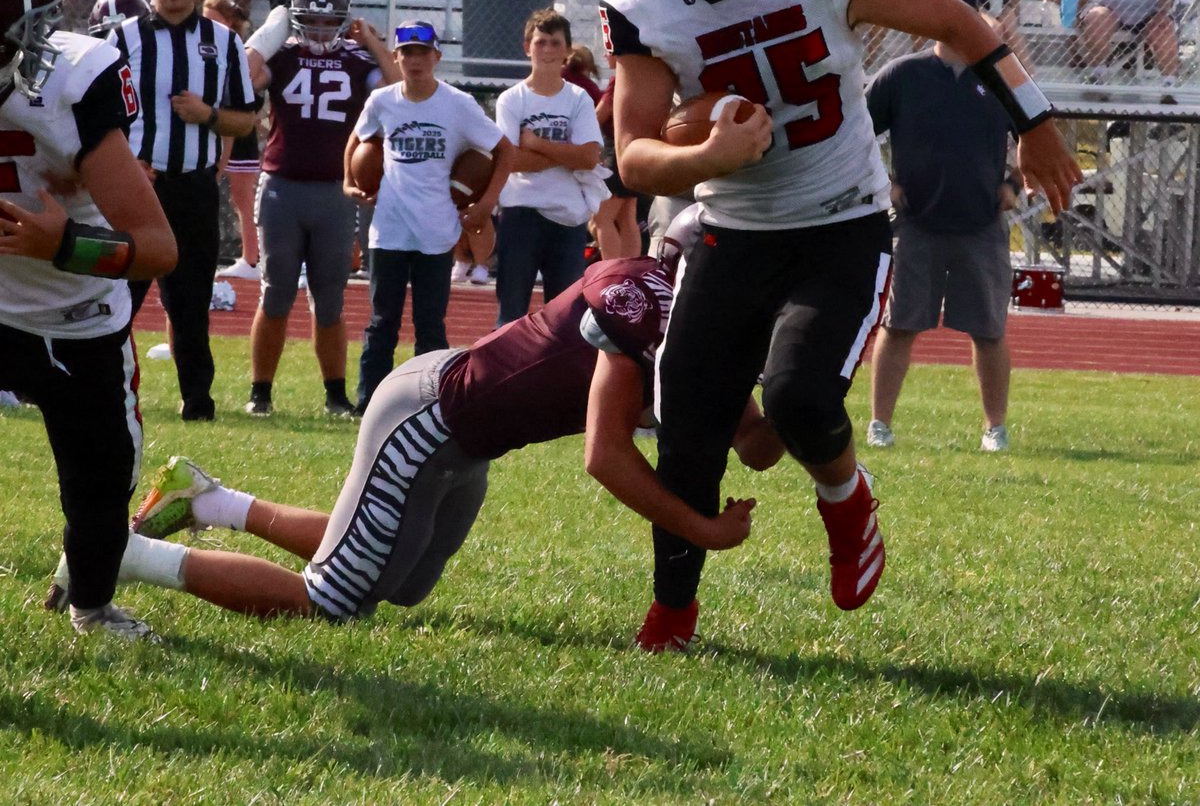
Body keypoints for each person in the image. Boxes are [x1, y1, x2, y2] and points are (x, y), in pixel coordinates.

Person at [599, 0, 1081, 651]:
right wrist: (706, 156)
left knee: (797, 397)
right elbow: (635, 157)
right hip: (730, 226)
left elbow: (960, 25)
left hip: (839, 221)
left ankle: (845, 497)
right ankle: (673, 611)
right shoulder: (644, 0)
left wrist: (1034, 122)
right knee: (689, 427)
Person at [51, 213, 780, 624]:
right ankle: (119, 554)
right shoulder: (639, 302)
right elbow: (606, 455)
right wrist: (702, 530)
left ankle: (208, 500)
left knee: (401, 584)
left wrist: (798, 394)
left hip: (466, 434)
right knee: (332, 600)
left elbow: (754, 442)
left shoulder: (687, 328)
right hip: (431, 418)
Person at [0, 0, 177, 639]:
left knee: (102, 487)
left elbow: (158, 248)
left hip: (76, 317)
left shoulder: (73, 82)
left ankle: (91, 605)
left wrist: (64, 243)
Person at [865, 0, 1020, 453]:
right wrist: (884, 184)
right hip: (916, 223)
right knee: (899, 324)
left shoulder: (1001, 76)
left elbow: (1042, 135)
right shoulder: (902, 75)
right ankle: (879, 424)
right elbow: (855, 133)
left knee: (988, 330)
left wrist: (1014, 184)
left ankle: (994, 428)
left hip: (981, 224)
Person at [109, 0, 257, 421]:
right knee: (118, 295)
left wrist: (207, 114)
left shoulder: (225, 42)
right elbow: (96, 114)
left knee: (191, 300)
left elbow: (245, 119)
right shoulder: (122, 39)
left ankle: (197, 401)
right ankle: (105, 389)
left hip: (194, 186)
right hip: (138, 187)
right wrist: (125, 162)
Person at [239, 0, 399, 417]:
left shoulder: (357, 59)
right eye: (312, 19)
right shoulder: (282, 54)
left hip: (334, 190)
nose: (321, 28)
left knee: (329, 299)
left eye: (330, 21)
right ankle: (260, 392)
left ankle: (335, 394)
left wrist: (373, 42)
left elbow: (399, 90)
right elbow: (246, 75)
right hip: (282, 186)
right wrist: (271, 32)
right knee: (275, 293)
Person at [347, 20, 515, 412]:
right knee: (382, 322)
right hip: (389, 229)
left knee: (430, 325)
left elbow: (504, 150)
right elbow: (356, 140)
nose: (415, 60)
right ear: (396, 57)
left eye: (422, 52)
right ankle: (369, 404)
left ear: (437, 56)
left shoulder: (458, 104)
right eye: (407, 52)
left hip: (436, 230)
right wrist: (347, 181)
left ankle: (430, 406)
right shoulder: (382, 101)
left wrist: (487, 202)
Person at [494, 9, 606, 325]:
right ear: (526, 47)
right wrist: (568, 152)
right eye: (540, 42)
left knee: (565, 319)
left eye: (555, 43)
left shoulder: (578, 98)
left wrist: (536, 143)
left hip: (568, 217)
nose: (547, 50)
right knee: (511, 315)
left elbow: (589, 158)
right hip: (521, 213)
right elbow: (512, 160)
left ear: (567, 50)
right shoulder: (511, 99)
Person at [202, 0, 260, 282]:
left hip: (237, 131)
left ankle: (252, 258)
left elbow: (249, 98)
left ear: (229, 21)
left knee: (242, 196)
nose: (207, 25)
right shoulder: (204, 50)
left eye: (214, 20)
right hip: (213, 130)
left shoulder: (239, 52)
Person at [592, 53, 641, 259]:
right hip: (636, 150)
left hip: (617, 152)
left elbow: (597, 116)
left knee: (601, 218)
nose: (605, 55)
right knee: (626, 217)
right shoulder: (641, 78)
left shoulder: (619, 79)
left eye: (610, 50)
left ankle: (610, 269)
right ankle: (629, 269)